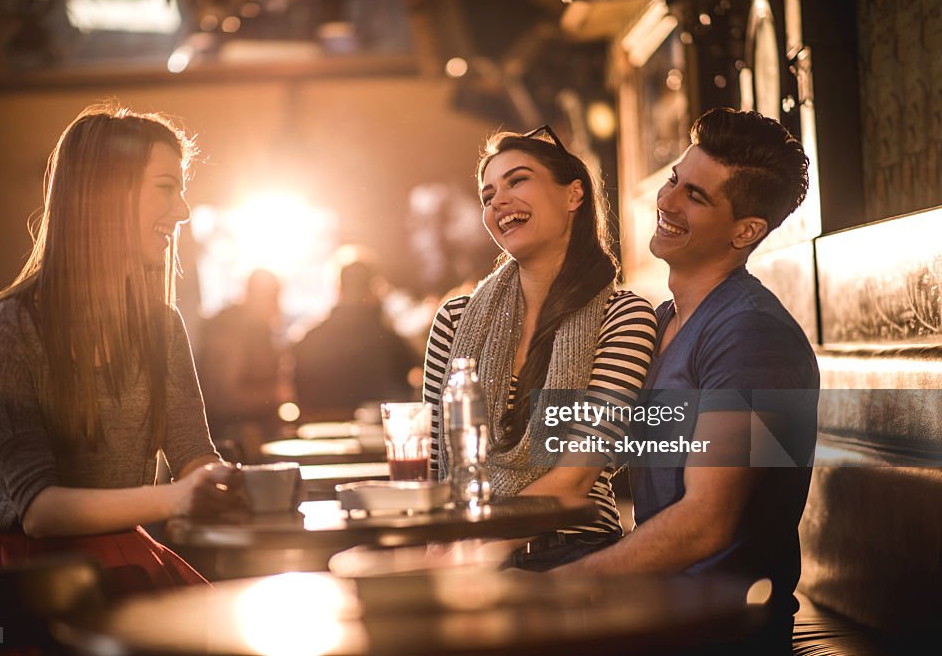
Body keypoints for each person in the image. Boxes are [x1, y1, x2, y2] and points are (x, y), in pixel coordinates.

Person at [557, 108, 819, 650]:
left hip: (722, 630)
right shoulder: (661, 322)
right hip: (664, 611)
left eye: (695, 196)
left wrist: (557, 588)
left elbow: (705, 524)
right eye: (674, 180)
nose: (667, 201)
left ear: (746, 230)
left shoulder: (751, 335)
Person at [0, 103, 242, 595]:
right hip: (29, 581)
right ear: (107, 195)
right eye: (167, 187)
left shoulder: (162, 326)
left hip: (121, 554)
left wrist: (222, 482)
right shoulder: (2, 330)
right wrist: (177, 498)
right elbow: (40, 511)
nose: (184, 211)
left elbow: (194, 454)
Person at [422, 126, 658, 571]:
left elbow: (574, 480)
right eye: (487, 195)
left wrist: (470, 550)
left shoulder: (623, 316)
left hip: (571, 556)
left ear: (574, 195)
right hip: (464, 552)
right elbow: (439, 468)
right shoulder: (454, 319)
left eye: (518, 180)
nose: (497, 202)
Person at [292, 254, 419, 421]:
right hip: (376, 439)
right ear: (373, 289)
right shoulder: (389, 340)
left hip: (320, 438)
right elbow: (410, 385)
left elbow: (298, 394)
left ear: (338, 289)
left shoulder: (308, 338)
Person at [197, 268, 289, 461]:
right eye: (273, 298)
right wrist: (274, 394)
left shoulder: (258, 329)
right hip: (235, 446)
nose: (277, 306)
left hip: (254, 441)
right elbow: (224, 398)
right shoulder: (229, 331)